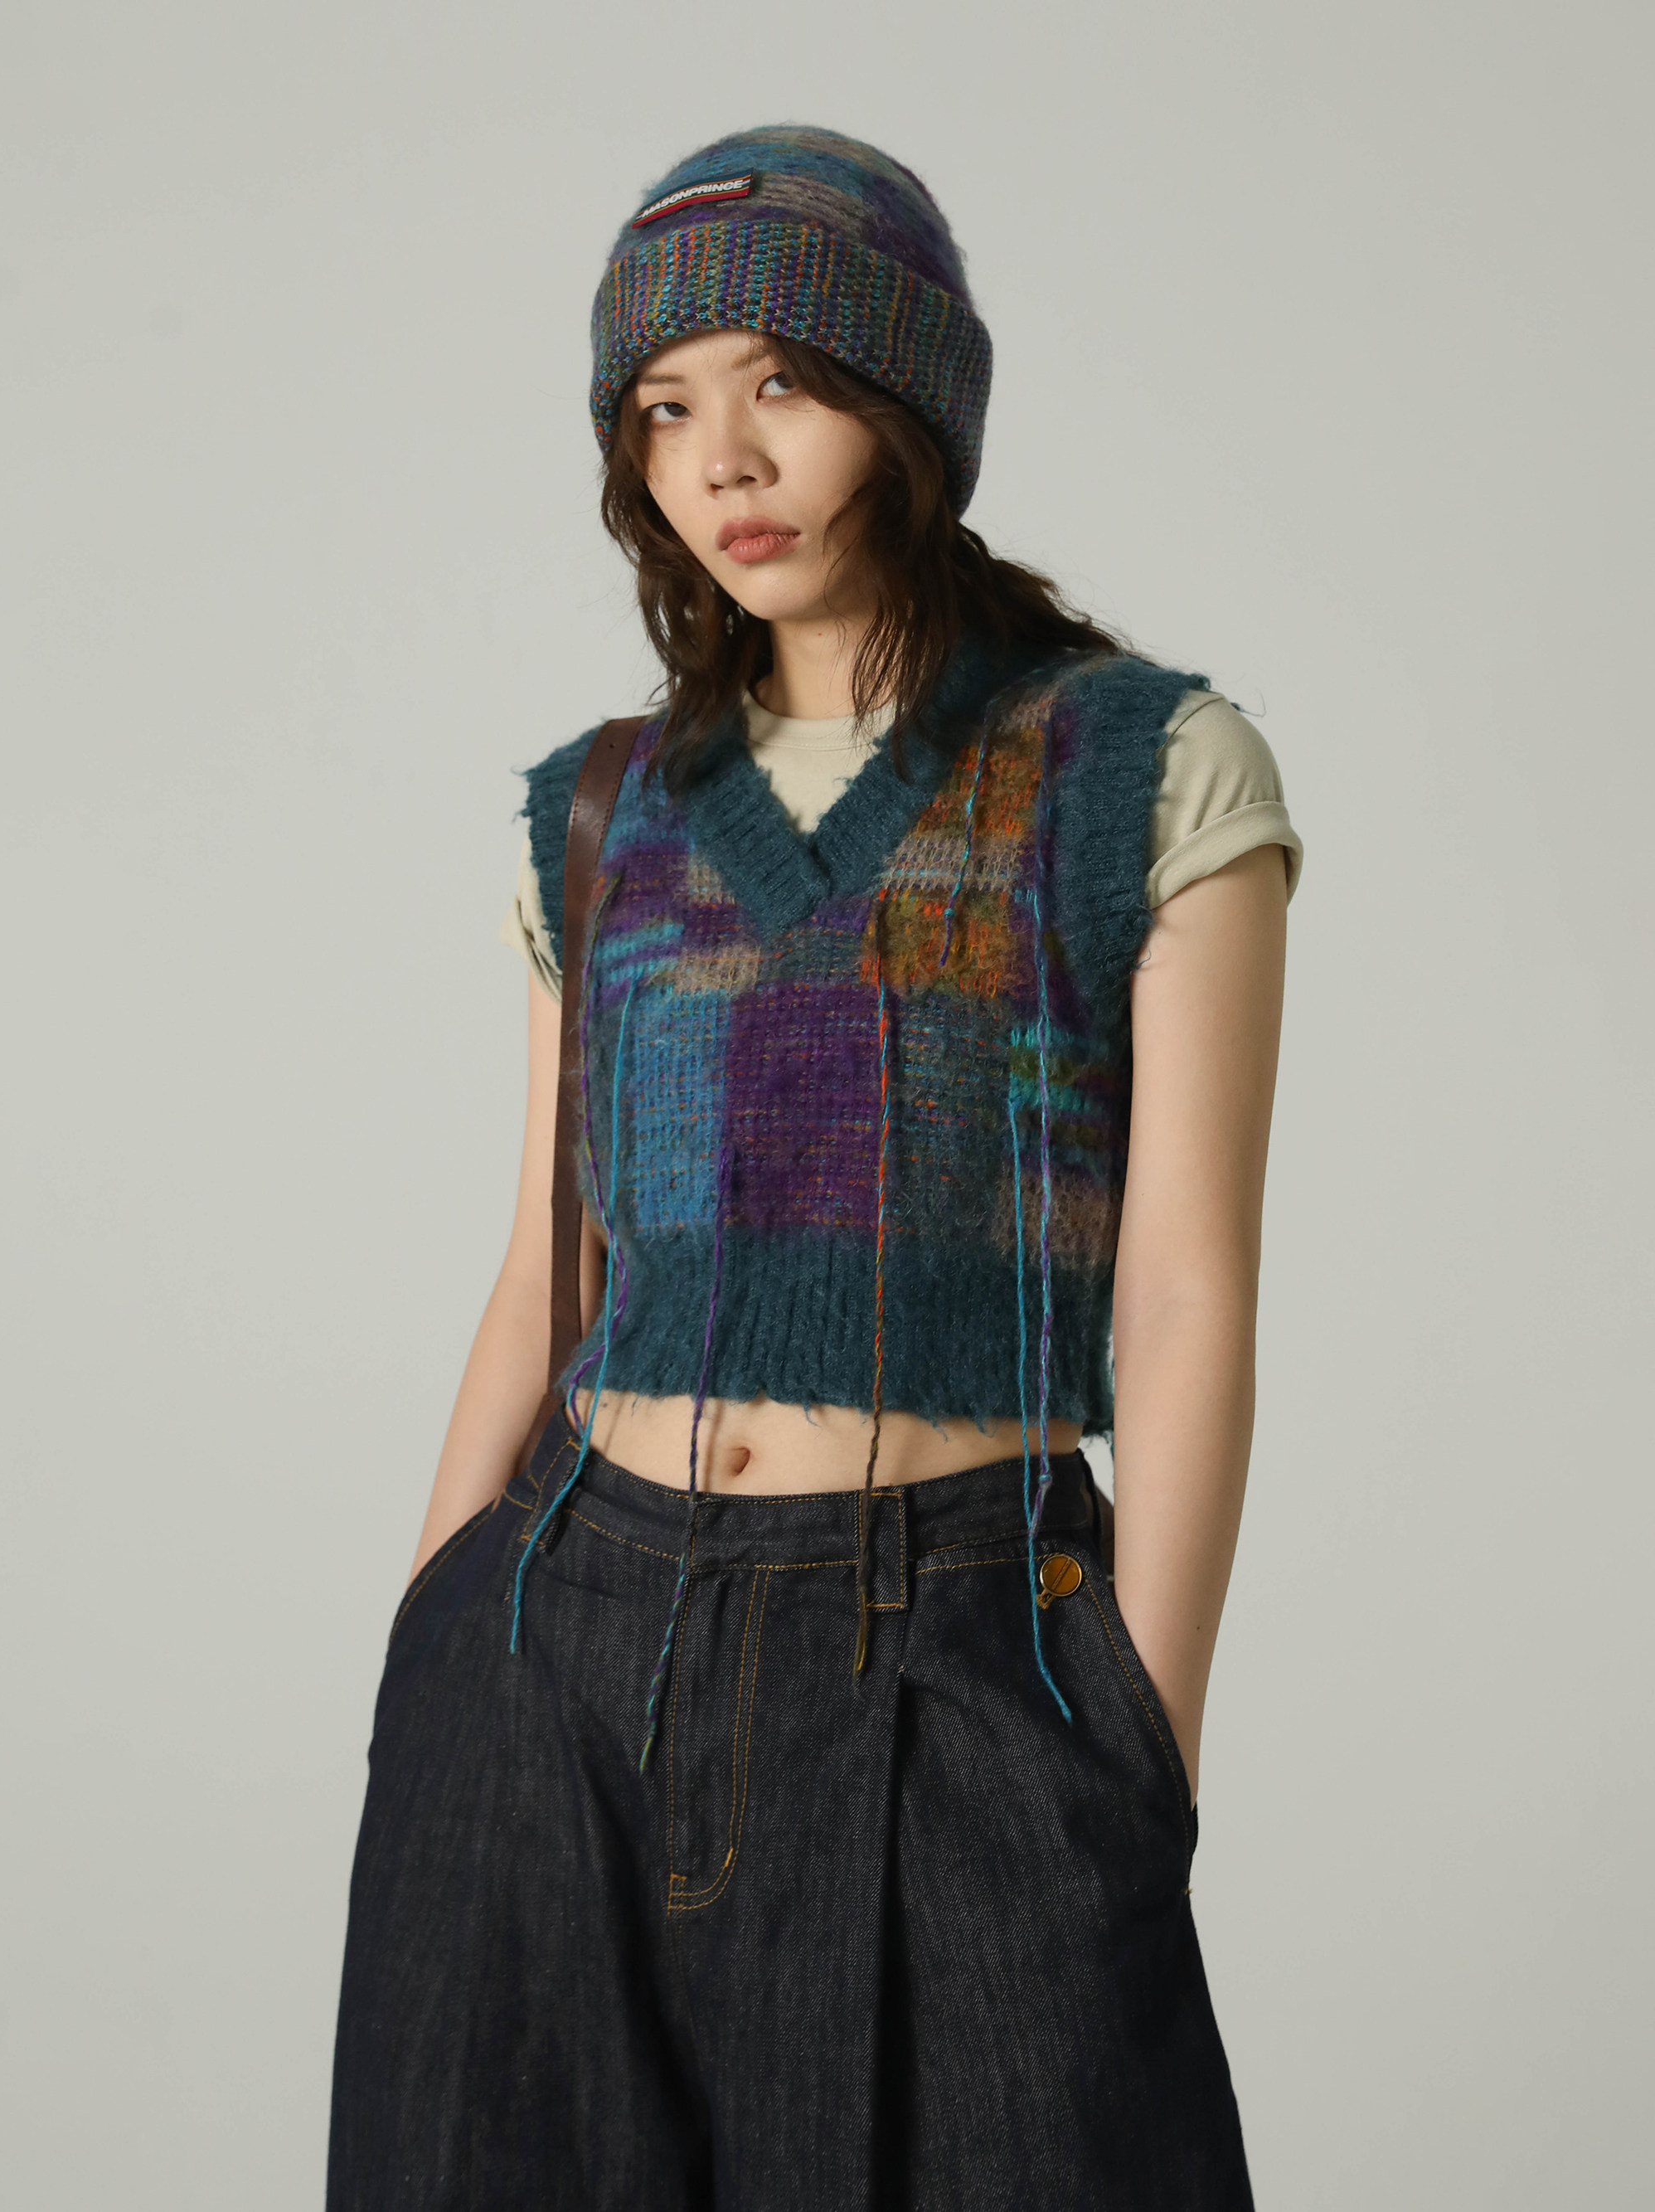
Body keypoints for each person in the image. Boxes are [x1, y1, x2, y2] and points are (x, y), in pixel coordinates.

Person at [328, 124, 1300, 2211]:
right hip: (562, 1646)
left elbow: (1186, 1289)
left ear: (907, 400)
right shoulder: (599, 815)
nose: (725, 459)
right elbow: (546, 1270)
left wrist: (1141, 1745)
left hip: (963, 1641)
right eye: (666, 408)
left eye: (780, 380)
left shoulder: (1136, 767)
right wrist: (430, 1642)